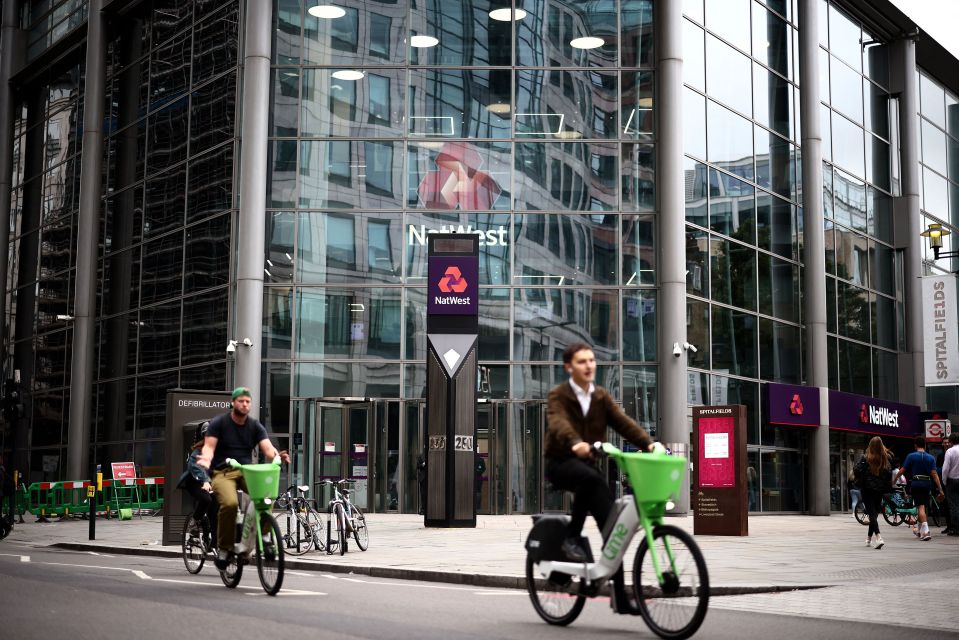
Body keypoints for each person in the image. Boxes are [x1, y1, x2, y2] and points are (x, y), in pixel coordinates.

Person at [545, 342, 661, 614]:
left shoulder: (601, 397)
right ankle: (571, 538)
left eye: (592, 360)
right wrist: (575, 443)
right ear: (569, 367)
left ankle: (619, 597)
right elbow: (558, 423)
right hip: (561, 462)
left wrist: (649, 444)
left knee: (614, 531)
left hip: (588, 468)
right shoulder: (558, 395)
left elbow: (623, 422)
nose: (589, 366)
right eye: (582, 361)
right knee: (589, 478)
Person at [197, 387, 290, 569]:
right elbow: (209, 446)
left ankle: (263, 536)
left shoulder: (254, 426)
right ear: (233, 403)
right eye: (241, 401)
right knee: (230, 504)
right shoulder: (219, 423)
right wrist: (207, 457)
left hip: (246, 470)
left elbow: (267, 448)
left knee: (266, 495)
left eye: (247, 401)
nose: (244, 404)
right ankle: (224, 549)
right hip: (223, 471)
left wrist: (277, 456)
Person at [176, 421, 218, 550]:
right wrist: (205, 480)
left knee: (215, 509)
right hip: (195, 482)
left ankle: (213, 541)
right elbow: (195, 467)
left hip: (211, 483)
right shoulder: (198, 451)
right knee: (206, 499)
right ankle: (193, 526)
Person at [894, 436, 945, 541]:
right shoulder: (931, 458)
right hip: (927, 484)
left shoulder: (911, 456)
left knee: (920, 507)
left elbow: (902, 470)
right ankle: (919, 531)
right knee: (922, 507)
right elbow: (934, 474)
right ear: (925, 445)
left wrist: (894, 480)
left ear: (915, 445)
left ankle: (926, 532)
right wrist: (940, 489)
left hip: (916, 483)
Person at [854, 436, 892, 549]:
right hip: (879, 490)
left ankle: (878, 537)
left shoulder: (866, 458)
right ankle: (869, 539)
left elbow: (857, 470)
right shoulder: (886, 458)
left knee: (872, 514)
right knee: (874, 514)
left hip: (867, 489)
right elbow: (889, 474)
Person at [939, 432, 959, 536]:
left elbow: (945, 468)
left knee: (954, 506)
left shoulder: (950, 451)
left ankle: (956, 528)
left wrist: (944, 481)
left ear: (951, 441)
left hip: (952, 481)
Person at [847, 451, 861, 517]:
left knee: (854, 501)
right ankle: (866, 512)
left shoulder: (850, 476)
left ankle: (853, 513)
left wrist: (849, 489)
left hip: (852, 490)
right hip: (858, 490)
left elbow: (848, 484)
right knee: (862, 501)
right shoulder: (858, 476)